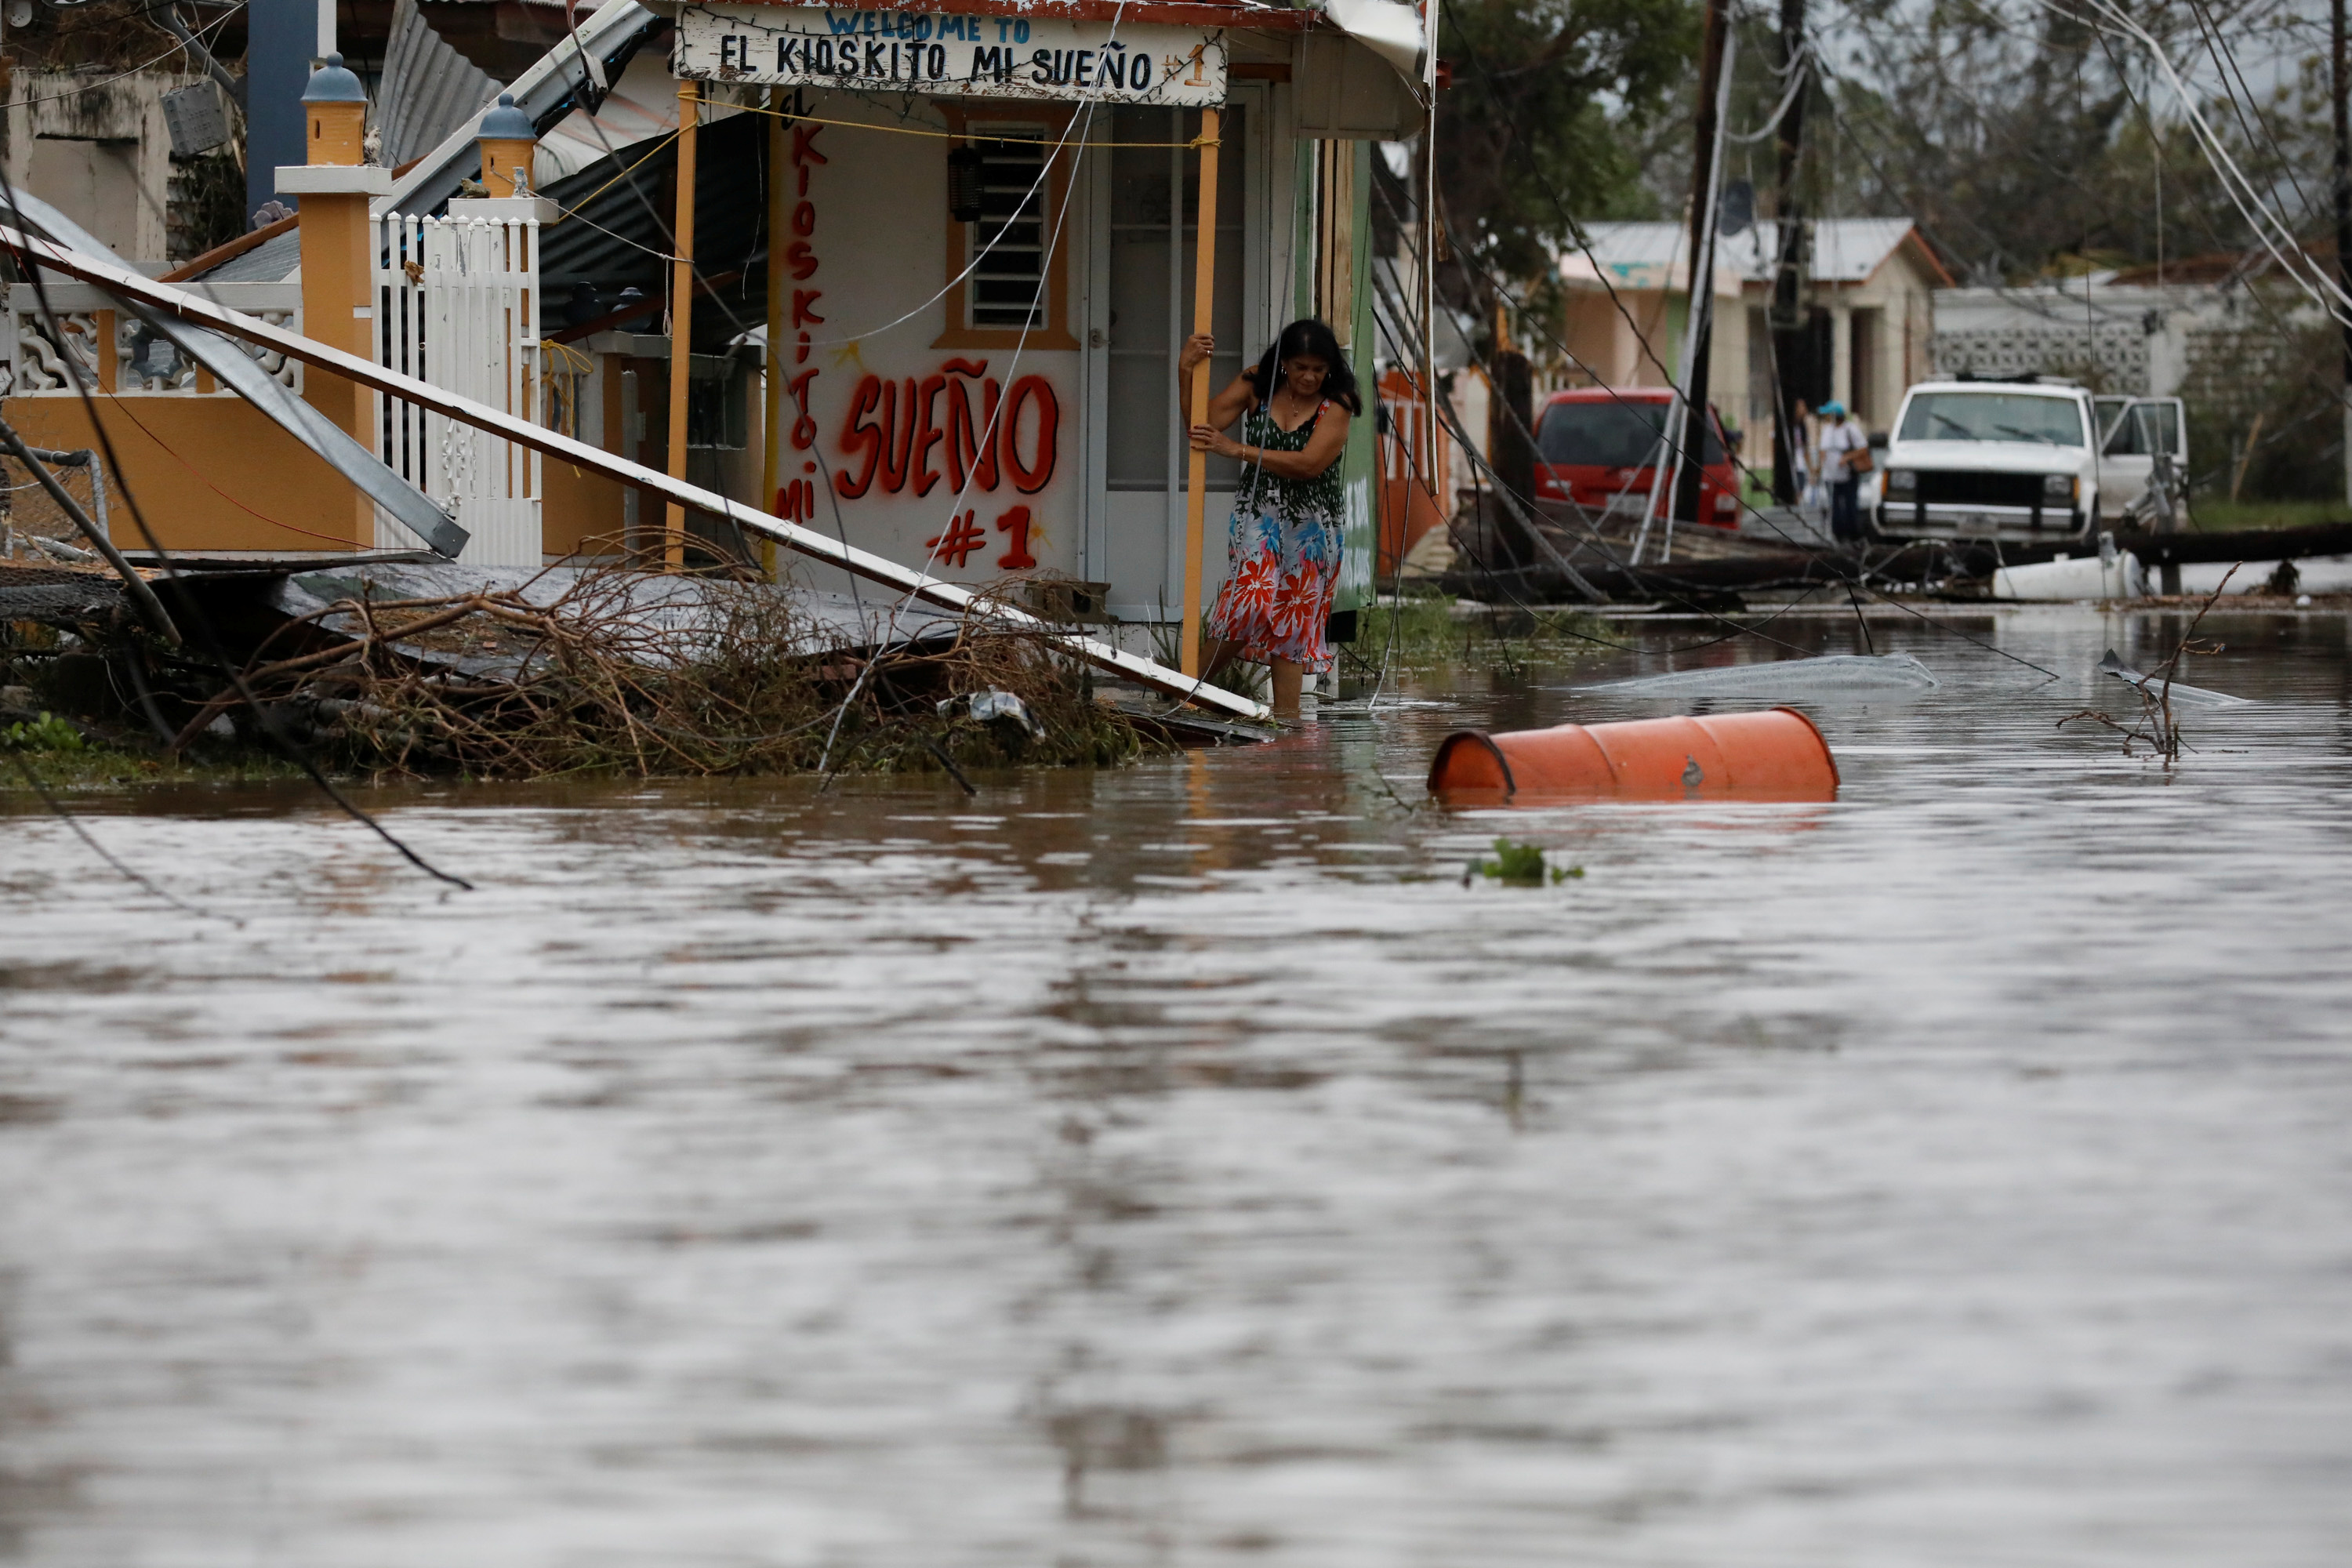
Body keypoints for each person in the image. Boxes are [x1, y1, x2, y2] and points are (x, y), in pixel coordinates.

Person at [1177, 318, 1359, 715]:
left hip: (1314, 522)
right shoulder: (1257, 383)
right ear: (1283, 363)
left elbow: (1309, 465)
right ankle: (1182, 692)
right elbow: (1201, 426)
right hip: (1260, 511)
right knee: (1251, 600)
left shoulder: (1338, 402)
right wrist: (1185, 370)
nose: (1309, 377)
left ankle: (1287, 723)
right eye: (1300, 367)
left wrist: (1237, 450)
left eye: (1318, 369)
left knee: (1292, 617)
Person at [1815, 400, 1869, 543]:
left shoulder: (1850, 429)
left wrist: (1847, 457)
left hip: (1847, 476)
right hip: (1831, 476)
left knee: (1850, 506)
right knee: (1834, 507)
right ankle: (1837, 535)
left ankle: (1853, 536)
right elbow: (1823, 450)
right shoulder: (1827, 430)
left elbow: (1863, 449)